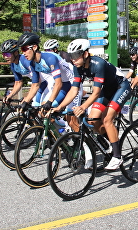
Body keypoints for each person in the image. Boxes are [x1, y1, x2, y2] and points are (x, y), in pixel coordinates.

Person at [54, 39, 131, 171]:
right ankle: (111, 142)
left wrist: (82, 107)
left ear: (85, 54)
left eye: (75, 56)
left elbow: (95, 93)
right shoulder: (77, 67)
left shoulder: (98, 64)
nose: (73, 59)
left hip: (121, 87)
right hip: (106, 90)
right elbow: (74, 90)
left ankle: (118, 157)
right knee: (93, 120)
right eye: (70, 56)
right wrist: (60, 106)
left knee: (107, 119)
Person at [16, 33, 74, 112]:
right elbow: (35, 84)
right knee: (42, 109)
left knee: (70, 120)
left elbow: (58, 83)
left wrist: (50, 102)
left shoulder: (50, 58)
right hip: (58, 84)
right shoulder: (32, 63)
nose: (23, 53)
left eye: (25, 49)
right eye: (22, 50)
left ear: (35, 47)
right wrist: (26, 101)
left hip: (71, 84)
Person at [0, 39, 33, 104]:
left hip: (45, 82)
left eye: (8, 54)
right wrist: (10, 95)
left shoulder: (25, 61)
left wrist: (28, 97)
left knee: (40, 108)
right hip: (39, 83)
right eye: (4, 54)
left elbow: (37, 81)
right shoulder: (13, 64)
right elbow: (18, 82)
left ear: (16, 52)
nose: (5, 57)